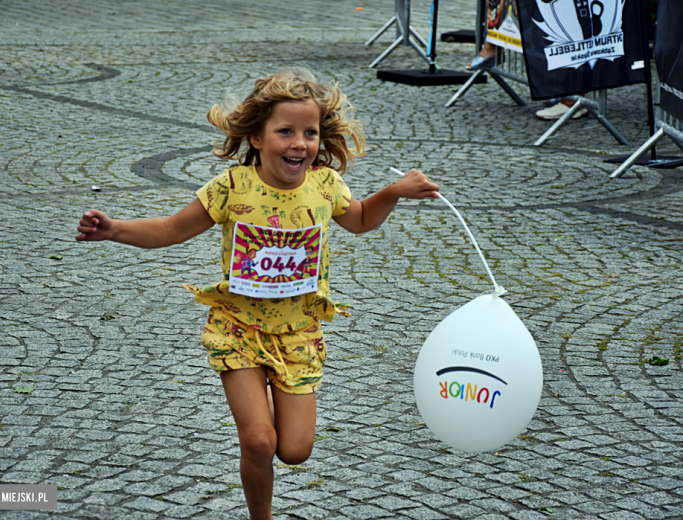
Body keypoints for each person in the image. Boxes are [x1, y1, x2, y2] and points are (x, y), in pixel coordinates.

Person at [75, 68, 439, 520]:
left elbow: (361, 219)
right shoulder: (232, 188)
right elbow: (171, 228)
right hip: (238, 328)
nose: (299, 143)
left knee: (295, 450)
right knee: (260, 441)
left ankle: (273, 408)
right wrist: (115, 231)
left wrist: (395, 191)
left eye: (310, 132)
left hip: (298, 334)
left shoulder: (324, 184)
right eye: (285, 131)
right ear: (257, 138)